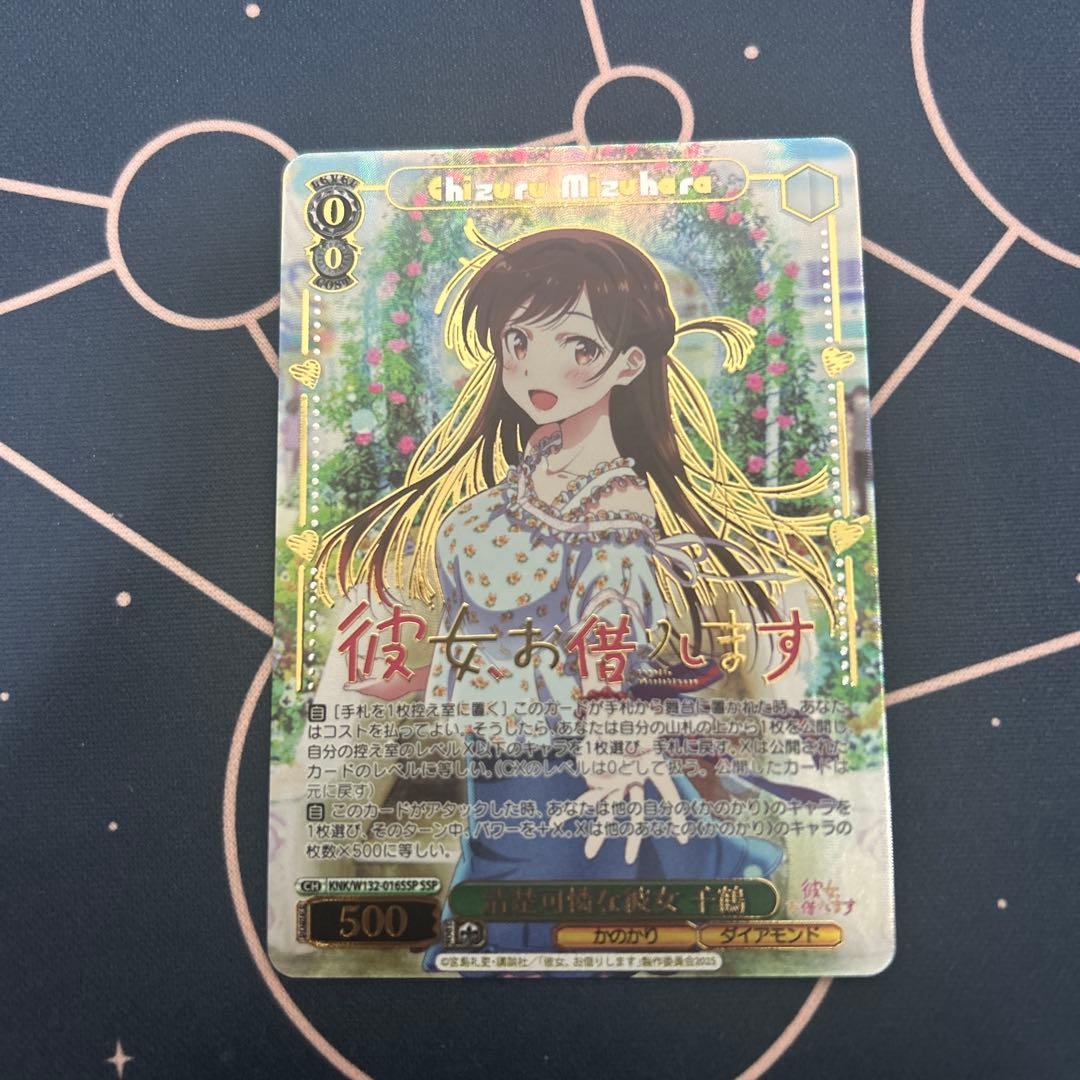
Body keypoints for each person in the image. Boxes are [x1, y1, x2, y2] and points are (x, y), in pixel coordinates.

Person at [314, 226, 836, 966]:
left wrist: (607, 717)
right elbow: (490, 622)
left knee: (527, 916)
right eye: (519, 340)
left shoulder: (615, 501)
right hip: (499, 759)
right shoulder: (528, 471)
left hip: (567, 759)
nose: (537, 367)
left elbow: (609, 607)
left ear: (628, 363)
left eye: (579, 346)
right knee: (508, 911)